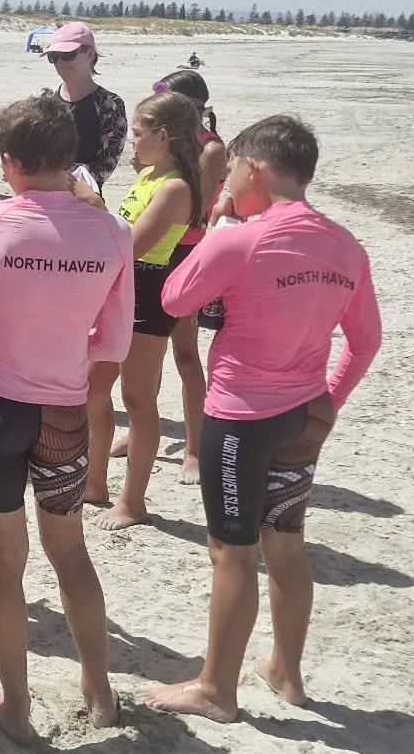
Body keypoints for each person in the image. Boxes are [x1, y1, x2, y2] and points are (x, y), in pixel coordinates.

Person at [148, 116, 381, 721]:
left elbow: (174, 297)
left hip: (241, 419)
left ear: (253, 169)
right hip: (302, 414)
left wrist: (221, 221)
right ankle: (285, 671)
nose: (225, 181)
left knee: (231, 552)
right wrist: (331, 397)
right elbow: (365, 340)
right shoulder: (344, 245)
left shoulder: (239, 239)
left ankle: (216, 690)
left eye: (229, 173)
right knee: (287, 542)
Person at [0, 94, 134, 745]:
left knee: (5, 562)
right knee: (71, 553)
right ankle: (100, 691)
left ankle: (17, 707)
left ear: (9, 160)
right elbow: (112, 345)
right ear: (71, 157)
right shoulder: (112, 232)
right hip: (64, 409)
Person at [85, 92, 206, 526]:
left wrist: (94, 206)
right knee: (92, 388)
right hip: (123, 286)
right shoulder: (152, 174)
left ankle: (132, 502)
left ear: (163, 135)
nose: (131, 142)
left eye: (137, 133)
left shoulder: (174, 186)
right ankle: (95, 483)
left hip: (148, 291)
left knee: (137, 399)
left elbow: (131, 244)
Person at [149, 68, 229, 477]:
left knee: (183, 353)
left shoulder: (210, 148)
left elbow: (194, 206)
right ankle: (147, 432)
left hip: (185, 251)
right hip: (159, 247)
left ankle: (194, 447)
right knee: (146, 353)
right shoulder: (172, 143)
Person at [43, 21, 127, 196]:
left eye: (67, 55)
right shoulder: (45, 99)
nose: (59, 63)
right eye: (54, 57)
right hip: (42, 197)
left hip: (84, 202)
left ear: (89, 53)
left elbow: (105, 166)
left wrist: (55, 177)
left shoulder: (109, 104)